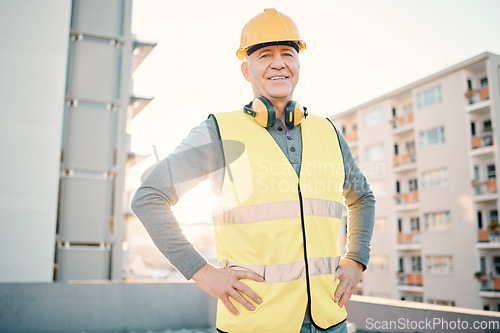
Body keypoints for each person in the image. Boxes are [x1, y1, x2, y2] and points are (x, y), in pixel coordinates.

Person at [132, 8, 375, 333]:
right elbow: (149, 197)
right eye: (265, 55)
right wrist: (202, 273)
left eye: (287, 53)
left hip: (330, 321)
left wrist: (356, 259)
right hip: (255, 323)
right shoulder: (219, 132)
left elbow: (363, 198)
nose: (278, 63)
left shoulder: (328, 132)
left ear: (298, 65)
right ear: (246, 70)